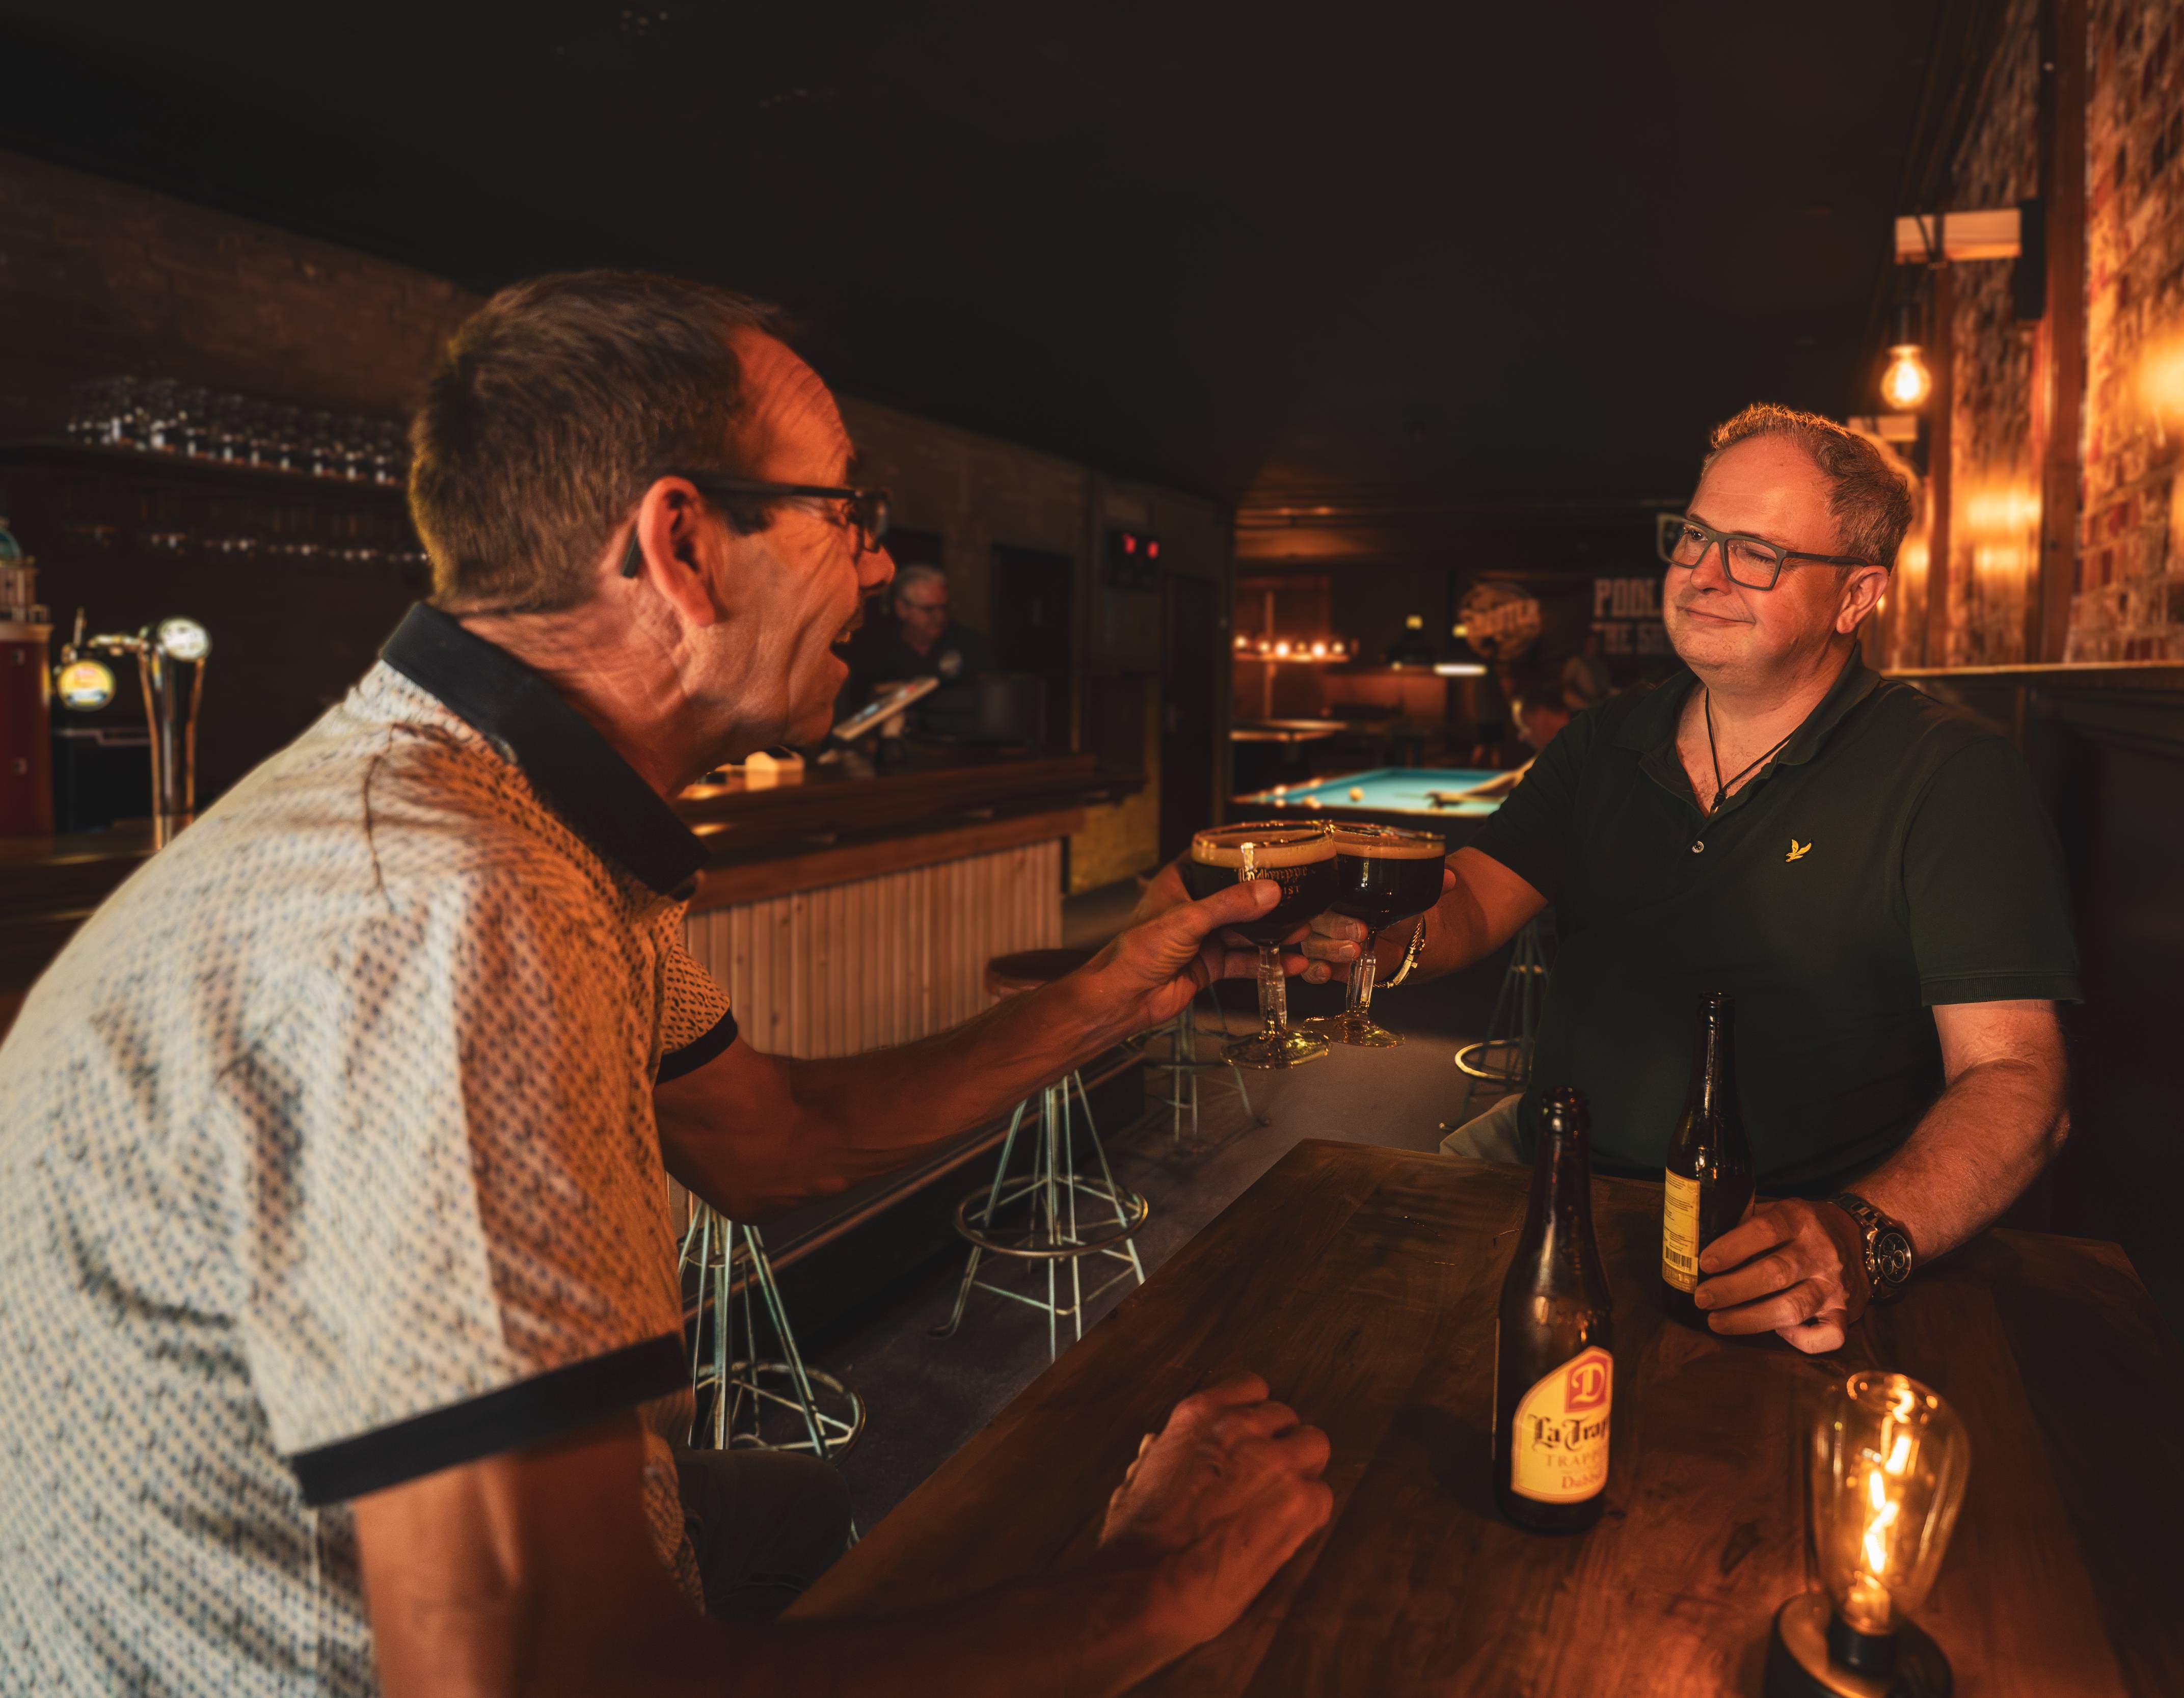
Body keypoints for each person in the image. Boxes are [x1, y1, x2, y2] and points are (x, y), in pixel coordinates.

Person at [0, 272, 1329, 1694]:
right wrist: (1153, 1585)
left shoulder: (508, 820)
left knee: (796, 1504)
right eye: (850, 515)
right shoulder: (451, 912)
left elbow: (771, 1140)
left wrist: (1112, 987)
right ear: (683, 545)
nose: (880, 572)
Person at [1300, 403, 2080, 1359]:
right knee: (1331, 1313)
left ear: (1857, 594)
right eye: (1698, 536)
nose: (1703, 575)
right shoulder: (1605, 741)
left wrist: (1857, 1232)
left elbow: (2017, 1081)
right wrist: (1375, 935)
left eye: (1755, 552)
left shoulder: (1948, 773)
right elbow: (1470, 900)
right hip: (1551, 1170)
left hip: (1778, 1233)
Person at [840, 562, 993, 739]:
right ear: (902, 608)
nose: (940, 617)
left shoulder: (969, 644)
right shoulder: (877, 650)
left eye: (944, 608)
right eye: (929, 609)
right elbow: (857, 711)